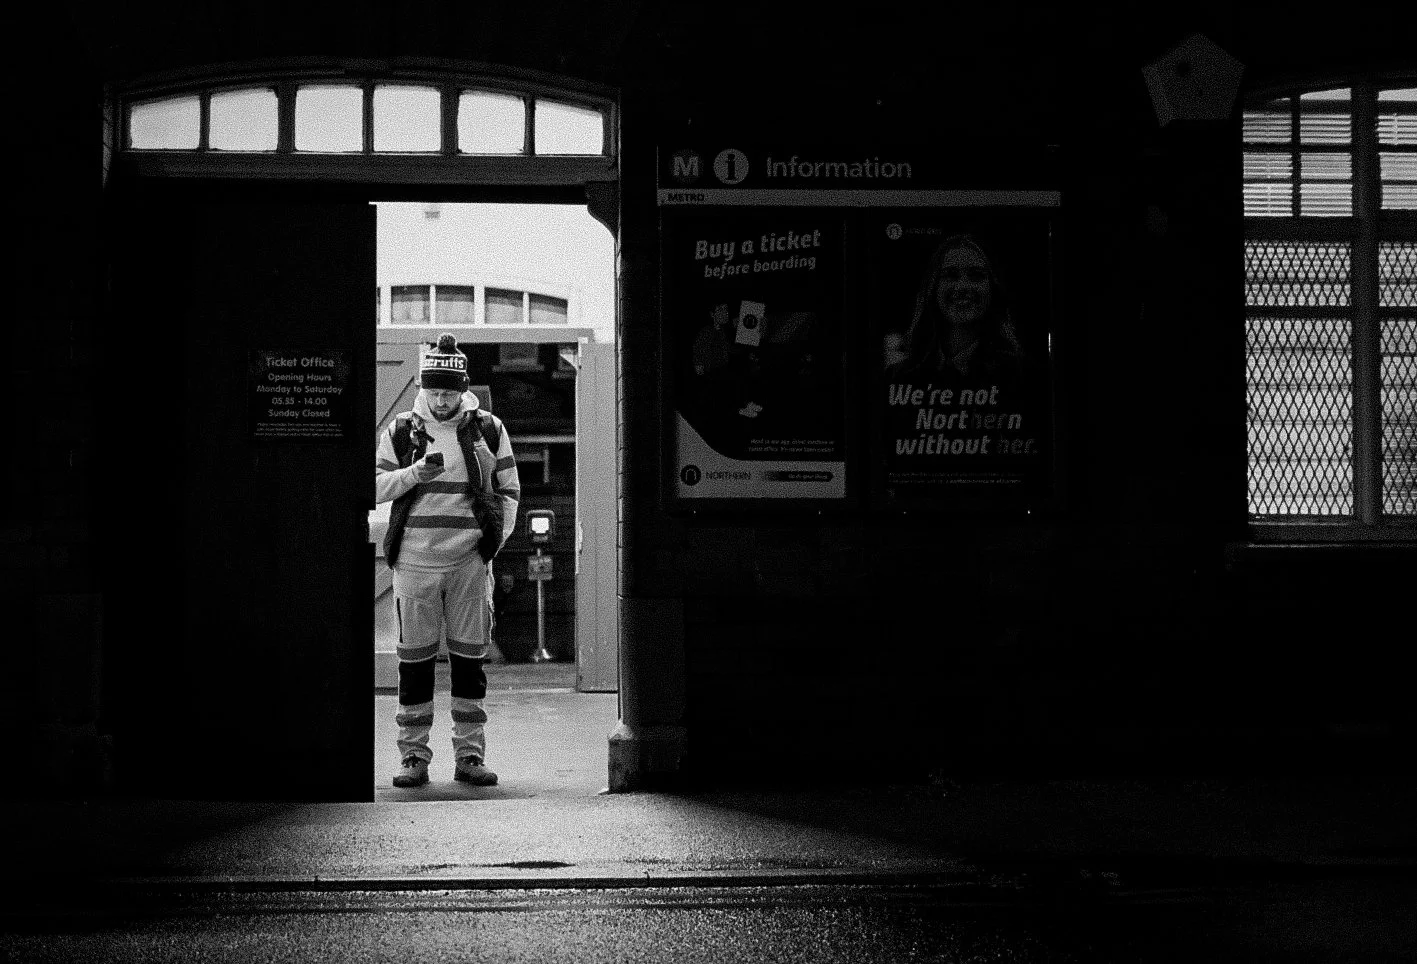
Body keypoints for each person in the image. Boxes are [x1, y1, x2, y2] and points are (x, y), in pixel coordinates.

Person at [375, 333, 520, 788]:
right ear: (423, 387)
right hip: (414, 563)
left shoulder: (489, 429)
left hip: (468, 565)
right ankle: (413, 757)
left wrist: (490, 546)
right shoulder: (401, 430)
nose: (441, 401)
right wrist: (414, 473)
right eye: (434, 391)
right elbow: (374, 487)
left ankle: (470, 756)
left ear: (463, 390)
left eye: (449, 392)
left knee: (469, 662)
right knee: (413, 662)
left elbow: (509, 491)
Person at [886, 233, 1024, 383]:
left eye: (976, 275)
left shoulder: (1022, 375)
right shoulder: (898, 376)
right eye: (950, 275)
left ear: (993, 288)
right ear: (933, 288)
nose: (962, 287)